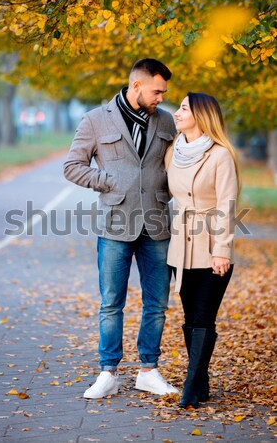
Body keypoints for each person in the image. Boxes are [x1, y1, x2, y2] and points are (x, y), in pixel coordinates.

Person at [64, 58, 178, 399]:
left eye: (164, 92)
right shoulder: (95, 120)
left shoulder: (167, 121)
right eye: (157, 91)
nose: (161, 97)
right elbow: (73, 166)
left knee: (157, 303)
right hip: (114, 224)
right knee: (111, 302)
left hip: (157, 223)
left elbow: (175, 165)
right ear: (137, 86)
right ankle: (108, 372)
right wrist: (109, 182)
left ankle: (148, 370)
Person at [165, 92, 241, 408]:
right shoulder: (173, 151)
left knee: (203, 317)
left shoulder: (220, 155)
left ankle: (190, 385)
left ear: (201, 114)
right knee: (189, 317)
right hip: (180, 246)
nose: (178, 113)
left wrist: (222, 250)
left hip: (211, 246)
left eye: (183, 108)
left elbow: (227, 205)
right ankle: (202, 382)